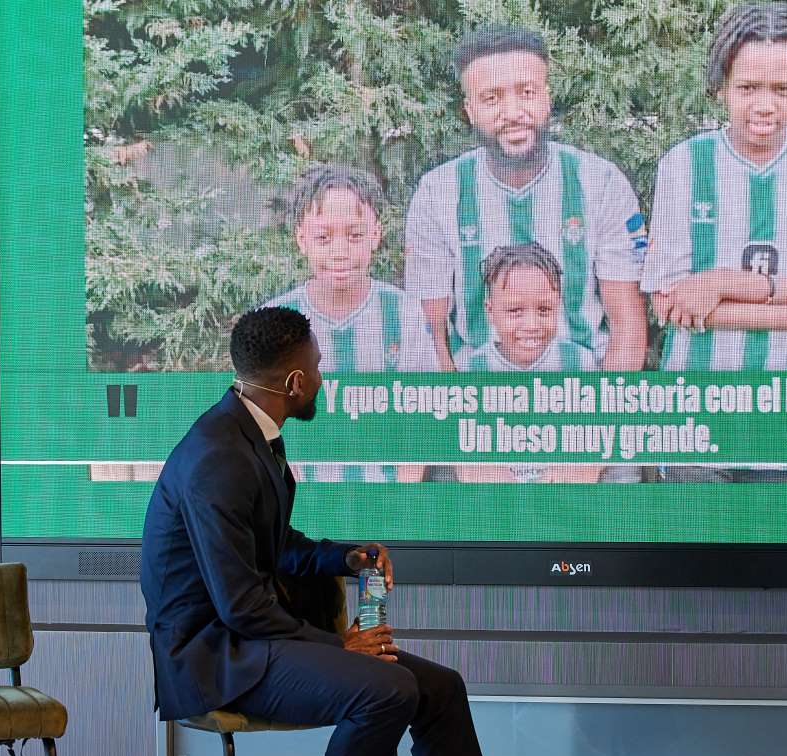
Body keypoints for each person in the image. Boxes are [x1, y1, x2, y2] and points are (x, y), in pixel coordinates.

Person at [141, 307, 497, 756]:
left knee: (441, 688)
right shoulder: (218, 457)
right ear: (293, 381)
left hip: (254, 640)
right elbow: (239, 605)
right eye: (318, 367)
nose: (322, 378)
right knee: (387, 690)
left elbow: (274, 542)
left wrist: (345, 558)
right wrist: (339, 646)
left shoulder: (248, 435)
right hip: (218, 658)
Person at [641, 1, 787, 483]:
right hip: (694, 419)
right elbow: (668, 303)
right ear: (722, 85)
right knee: (693, 559)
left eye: (782, 89)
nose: (764, 105)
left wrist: (718, 282)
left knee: (778, 559)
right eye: (748, 87)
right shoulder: (683, 165)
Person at [405, 25, 649, 376]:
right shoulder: (437, 193)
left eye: (526, 92)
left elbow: (626, 321)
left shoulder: (601, 183)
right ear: (470, 111)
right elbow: (430, 332)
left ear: (547, 97)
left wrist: (603, 415)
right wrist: (452, 416)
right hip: (477, 401)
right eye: (492, 98)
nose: (513, 111)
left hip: (580, 396)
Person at [266, 164, 436, 482]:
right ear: (302, 240)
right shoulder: (274, 322)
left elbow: (420, 426)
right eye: (323, 237)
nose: (340, 251)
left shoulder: (405, 315)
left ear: (375, 236)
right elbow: (266, 430)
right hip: (303, 510)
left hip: (385, 508)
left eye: (355, 235)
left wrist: (394, 514)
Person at [454, 243, 601, 483]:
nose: (531, 324)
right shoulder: (472, 370)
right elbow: (467, 467)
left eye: (544, 310)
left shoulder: (579, 364)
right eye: (515, 311)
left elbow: (593, 456)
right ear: (490, 311)